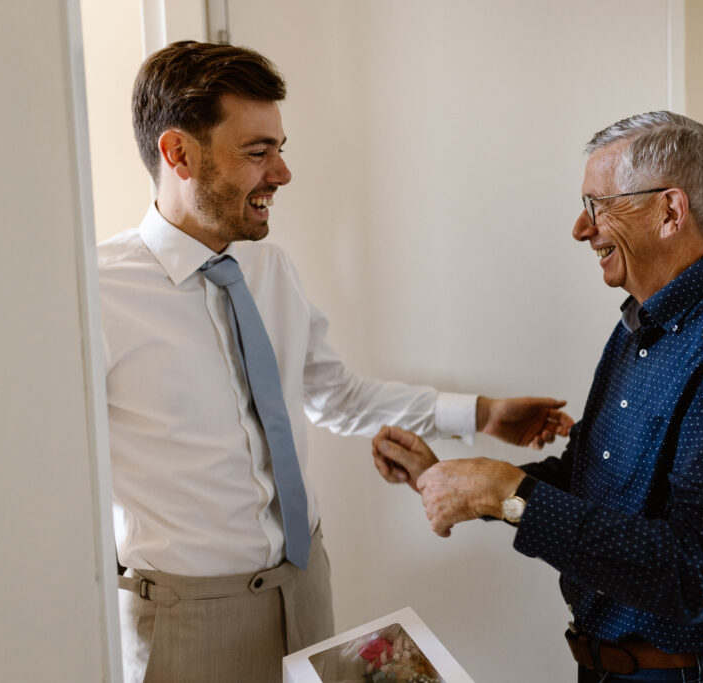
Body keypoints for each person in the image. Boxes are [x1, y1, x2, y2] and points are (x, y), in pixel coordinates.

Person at [98, 40, 573, 682]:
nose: (283, 173)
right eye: (258, 152)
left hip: (305, 583)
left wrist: (483, 414)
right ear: (178, 153)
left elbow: (334, 395)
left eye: (281, 148)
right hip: (186, 620)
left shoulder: (268, 267)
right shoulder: (96, 296)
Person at [373, 111, 703, 683]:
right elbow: (594, 484)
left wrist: (505, 492)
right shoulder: (636, 328)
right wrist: (461, 484)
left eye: (596, 205)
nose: (580, 229)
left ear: (669, 211)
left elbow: (700, 573)